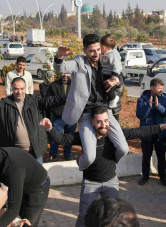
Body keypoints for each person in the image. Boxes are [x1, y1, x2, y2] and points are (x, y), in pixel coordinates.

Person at [40, 106, 166, 227]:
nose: (103, 125)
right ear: (92, 122)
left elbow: (138, 131)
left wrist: (163, 126)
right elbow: (62, 140)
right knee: (84, 217)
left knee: (113, 216)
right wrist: (50, 128)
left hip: (110, 182)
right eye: (99, 122)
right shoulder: (84, 136)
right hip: (90, 183)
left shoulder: (114, 136)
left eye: (106, 121)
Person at [53, 33, 128, 172]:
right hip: (86, 113)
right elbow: (61, 68)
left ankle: (110, 165)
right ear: (84, 50)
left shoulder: (105, 60)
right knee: (89, 157)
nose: (96, 54)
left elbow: (119, 77)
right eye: (92, 50)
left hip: (105, 111)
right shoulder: (79, 62)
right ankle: (82, 166)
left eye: (98, 49)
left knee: (123, 149)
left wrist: (117, 81)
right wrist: (59, 57)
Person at [0, 77, 65, 164]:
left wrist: (69, 97)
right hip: (13, 153)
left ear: (26, 88)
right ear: (12, 89)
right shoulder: (5, 104)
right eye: (16, 89)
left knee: (38, 177)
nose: (19, 92)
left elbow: (51, 101)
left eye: (22, 88)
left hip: (35, 151)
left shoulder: (34, 101)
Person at [0, 137, 50, 227]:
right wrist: (3, 211)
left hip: (37, 188)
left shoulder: (13, 167)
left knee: (26, 224)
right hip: (21, 184)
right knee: (10, 218)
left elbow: (13, 208)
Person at [136, 78, 166, 186]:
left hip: (161, 134)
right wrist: (149, 106)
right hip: (147, 134)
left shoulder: (164, 98)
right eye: (159, 88)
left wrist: (158, 106)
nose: (161, 90)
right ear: (152, 88)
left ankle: (162, 177)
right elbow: (139, 115)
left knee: (161, 156)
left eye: (162, 88)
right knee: (146, 156)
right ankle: (145, 176)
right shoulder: (142, 99)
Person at [46, 73, 76, 162]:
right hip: (58, 117)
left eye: (67, 73)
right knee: (54, 136)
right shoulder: (54, 85)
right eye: (63, 72)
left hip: (71, 117)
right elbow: (48, 99)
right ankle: (53, 154)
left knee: (69, 137)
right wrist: (53, 110)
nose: (65, 75)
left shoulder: (75, 84)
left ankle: (67, 154)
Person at [100, 34, 122, 108]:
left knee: (108, 89)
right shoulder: (104, 54)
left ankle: (114, 99)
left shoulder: (113, 54)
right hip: (106, 75)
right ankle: (111, 99)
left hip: (112, 75)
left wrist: (114, 76)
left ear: (103, 47)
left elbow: (116, 65)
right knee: (105, 88)